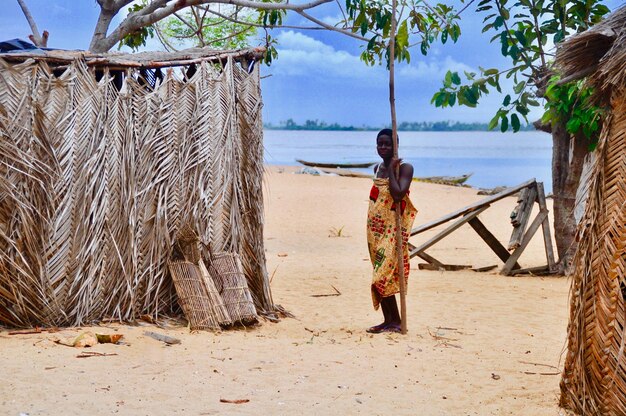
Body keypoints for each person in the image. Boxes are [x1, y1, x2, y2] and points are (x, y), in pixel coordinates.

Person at [366, 128, 417, 333]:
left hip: (393, 228)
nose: (383, 147)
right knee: (379, 271)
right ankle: (390, 320)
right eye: (380, 144)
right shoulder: (377, 167)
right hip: (374, 228)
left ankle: (395, 321)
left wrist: (393, 169)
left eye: (388, 144)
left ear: (396, 145)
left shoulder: (405, 168)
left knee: (382, 274)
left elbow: (397, 195)